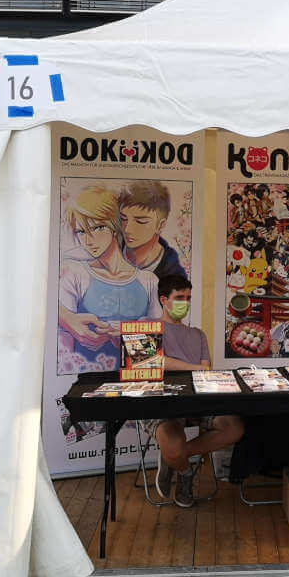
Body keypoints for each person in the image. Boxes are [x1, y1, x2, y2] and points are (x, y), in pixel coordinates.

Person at [147, 274, 244, 508]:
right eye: (179, 297)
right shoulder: (148, 328)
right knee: (173, 443)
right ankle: (185, 472)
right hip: (161, 405)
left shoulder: (198, 334)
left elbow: (206, 370)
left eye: (188, 298)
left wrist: (176, 363)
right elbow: (154, 363)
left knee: (234, 429)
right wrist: (191, 366)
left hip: (199, 403)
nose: (185, 302)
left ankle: (175, 461)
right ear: (163, 299)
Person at [59, 186, 161, 372]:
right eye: (81, 232)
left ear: (115, 227)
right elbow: (64, 350)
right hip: (85, 382)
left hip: (138, 382)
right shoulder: (74, 273)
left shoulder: (148, 281)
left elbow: (153, 358)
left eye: (98, 228)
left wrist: (128, 334)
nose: (88, 240)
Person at [119, 181, 187, 281]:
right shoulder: (110, 246)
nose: (127, 229)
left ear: (160, 226)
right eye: (123, 218)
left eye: (140, 221)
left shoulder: (173, 274)